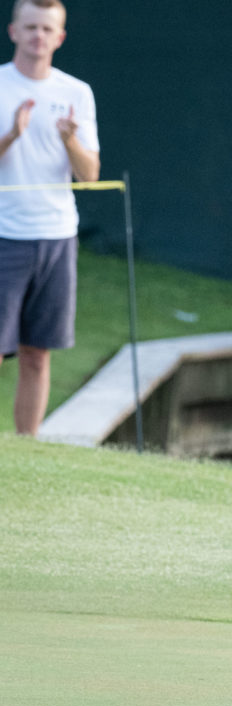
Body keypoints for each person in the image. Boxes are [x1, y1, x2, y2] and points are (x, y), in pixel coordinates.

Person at [0, 0, 99, 435]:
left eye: (47, 29)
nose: (38, 36)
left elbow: (89, 175)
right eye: (31, 27)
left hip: (57, 236)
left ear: (60, 37)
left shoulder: (75, 93)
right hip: (5, 235)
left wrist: (69, 142)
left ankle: (27, 446)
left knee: (38, 352)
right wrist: (12, 136)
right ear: (13, 32)